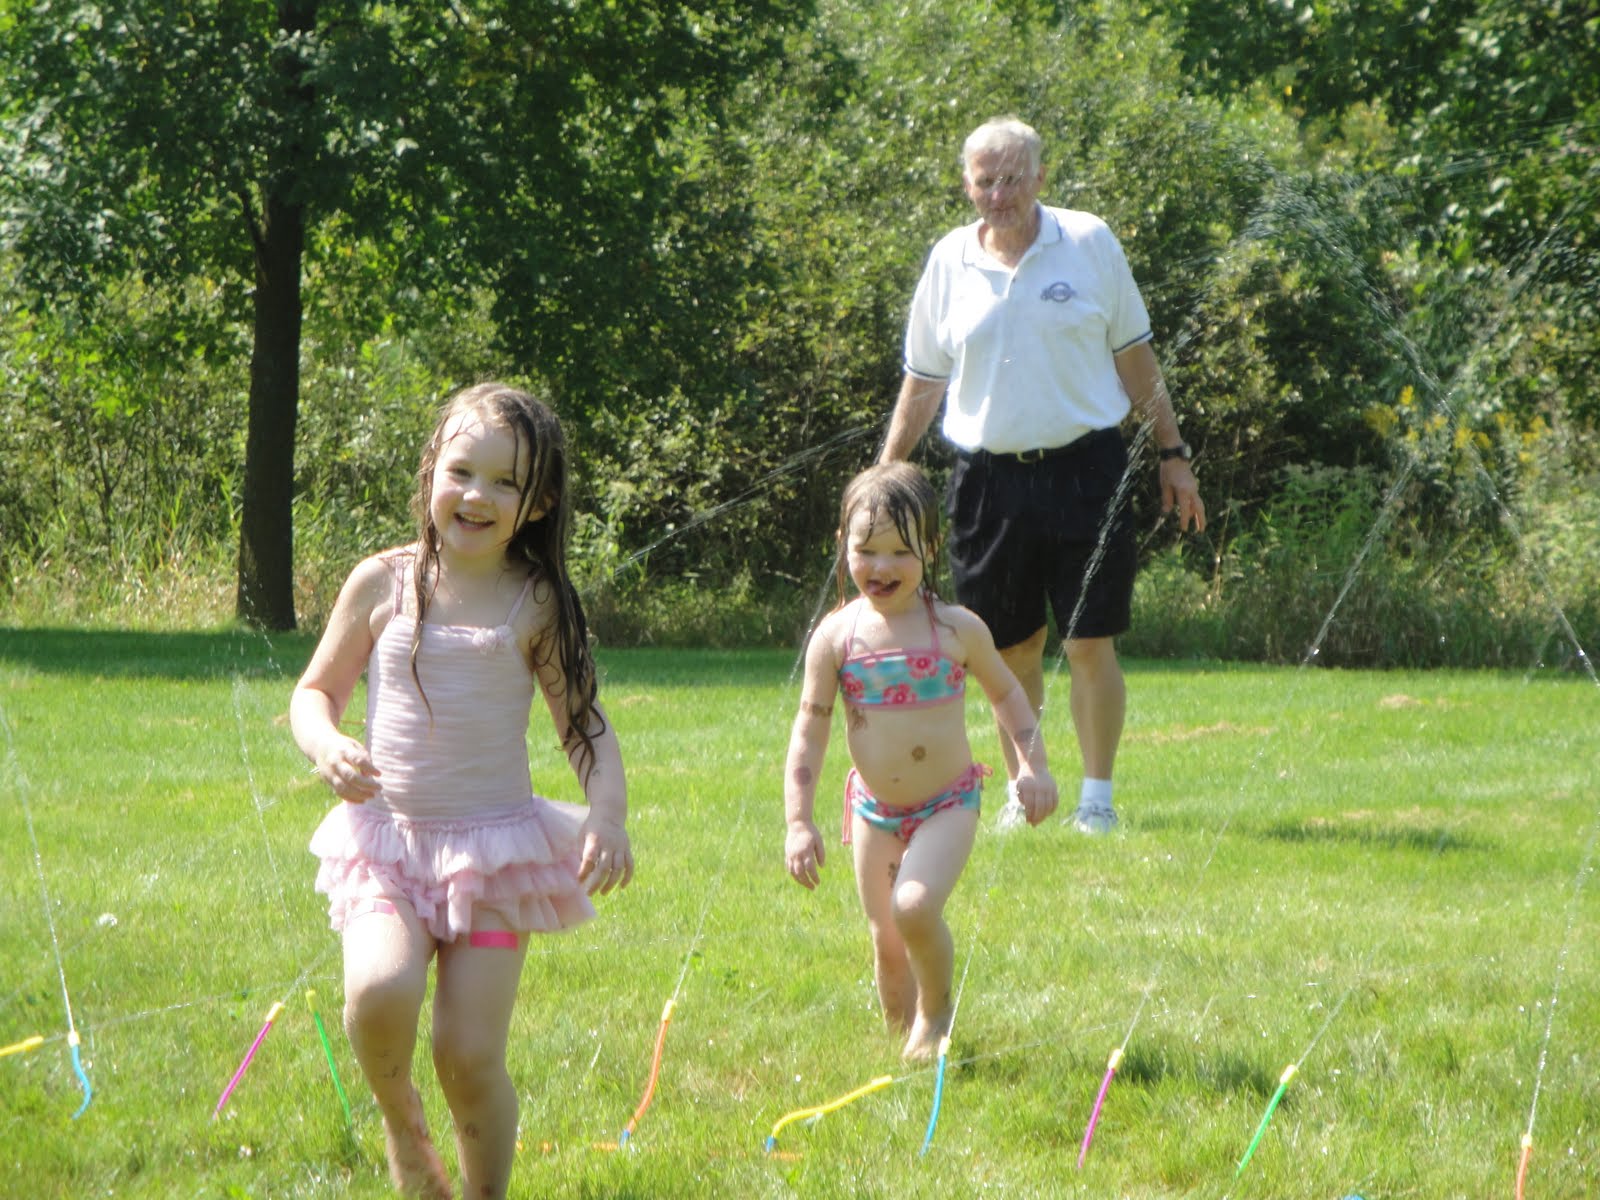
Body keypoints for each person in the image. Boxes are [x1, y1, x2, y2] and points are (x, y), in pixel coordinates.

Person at [290, 382, 633, 1200]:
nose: (477, 495)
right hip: (387, 845)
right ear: (429, 473)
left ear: (539, 503)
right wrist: (328, 744)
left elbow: (582, 723)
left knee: (469, 1057)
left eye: (505, 482)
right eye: (462, 471)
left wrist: (610, 814)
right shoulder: (381, 581)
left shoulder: (535, 600)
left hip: (491, 857)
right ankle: (402, 1125)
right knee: (379, 991)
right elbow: (314, 693)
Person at [880, 116, 1206, 836]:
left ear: (1040, 178)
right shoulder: (947, 262)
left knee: (1089, 640)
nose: (999, 195)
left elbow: (1134, 356)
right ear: (966, 184)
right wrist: (884, 473)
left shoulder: (1089, 243)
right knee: (1007, 648)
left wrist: (1171, 453)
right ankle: (1026, 789)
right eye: (984, 181)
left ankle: (1096, 800)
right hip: (986, 482)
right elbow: (923, 379)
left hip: (1086, 469)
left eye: (1012, 178)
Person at [783, 462, 1057, 1061]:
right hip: (874, 810)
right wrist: (799, 820)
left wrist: (1032, 768)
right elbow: (809, 731)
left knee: (913, 907)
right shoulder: (836, 639)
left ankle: (935, 1015)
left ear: (931, 549)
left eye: (901, 552)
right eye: (867, 550)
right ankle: (900, 1048)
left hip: (947, 803)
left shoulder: (957, 630)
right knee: (885, 942)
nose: (881, 567)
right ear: (842, 546)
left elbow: (1008, 694)